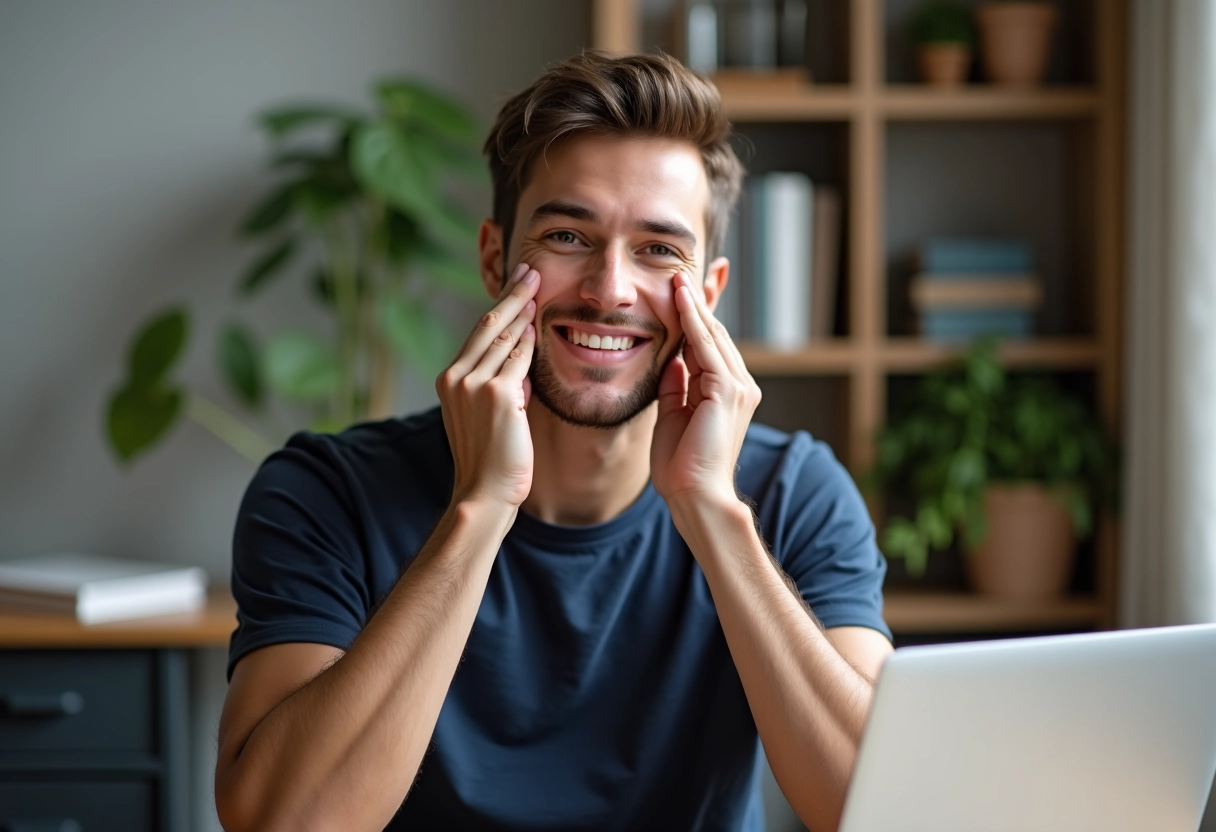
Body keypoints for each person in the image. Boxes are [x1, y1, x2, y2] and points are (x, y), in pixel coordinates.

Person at [214, 50, 893, 832]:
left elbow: (872, 811)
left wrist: (711, 511)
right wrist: (479, 509)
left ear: (708, 294)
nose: (610, 289)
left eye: (659, 250)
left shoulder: (795, 493)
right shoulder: (325, 491)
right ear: (496, 259)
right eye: (569, 235)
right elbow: (278, 823)